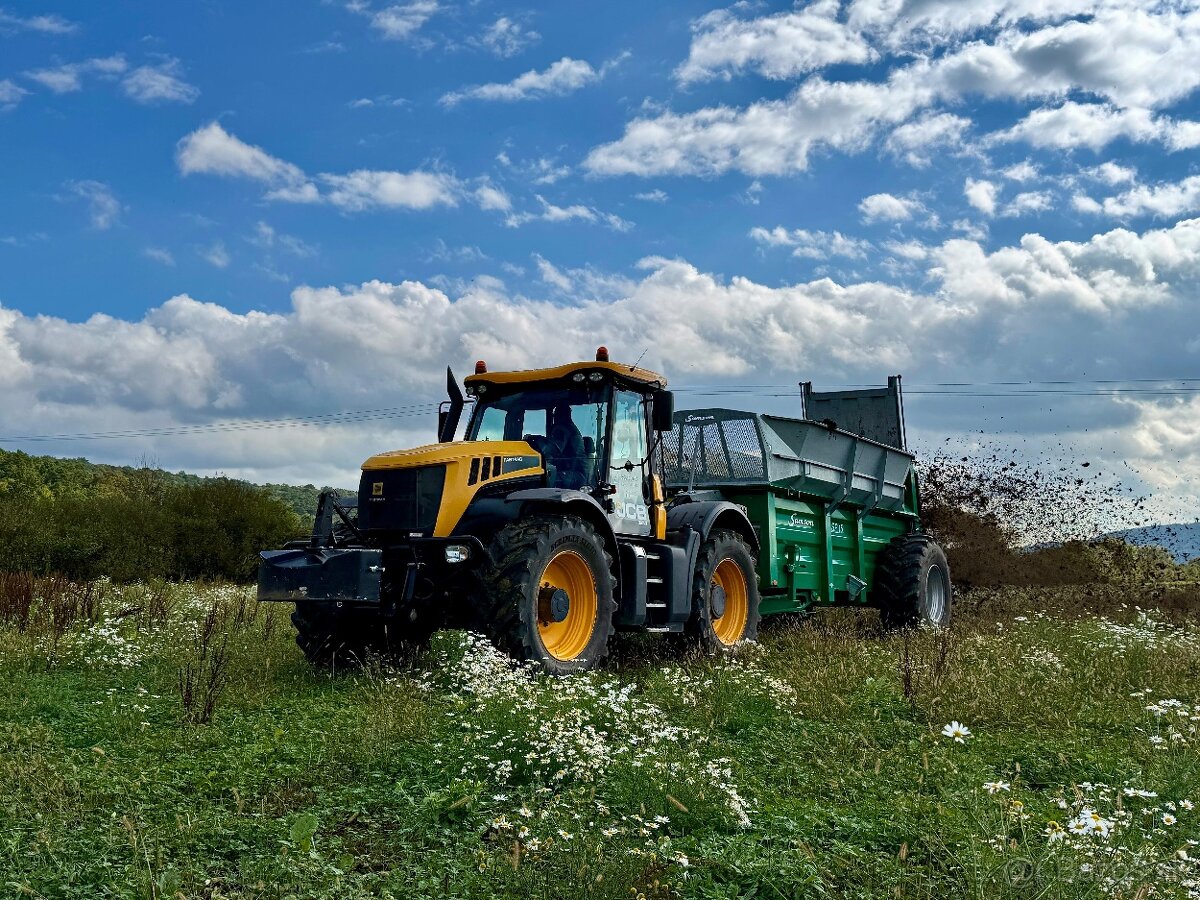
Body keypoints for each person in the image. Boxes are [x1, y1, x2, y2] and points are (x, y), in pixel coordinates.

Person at [545, 404, 587, 489]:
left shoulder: (562, 429)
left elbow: (554, 450)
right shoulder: (571, 428)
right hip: (576, 472)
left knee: (543, 479)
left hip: (574, 473)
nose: (554, 418)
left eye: (556, 415)